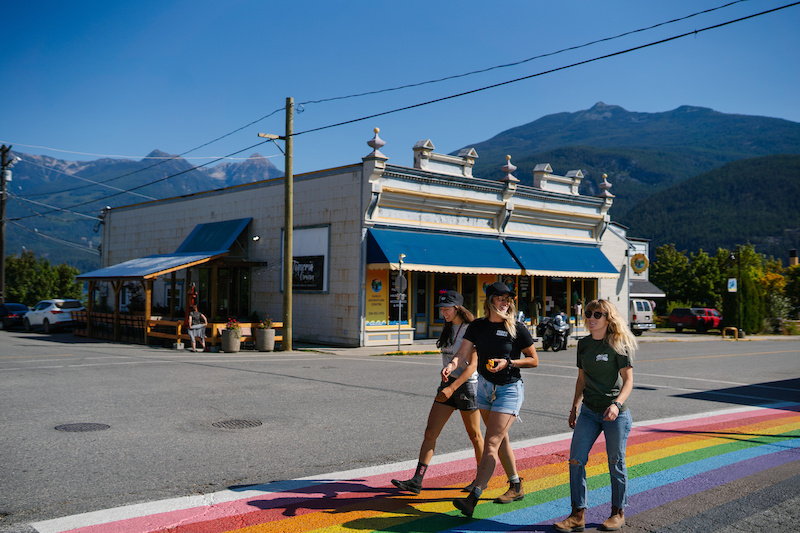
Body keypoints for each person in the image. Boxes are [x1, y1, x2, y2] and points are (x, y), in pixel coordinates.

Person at [446, 281, 539, 517]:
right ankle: (516, 485)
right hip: (485, 388)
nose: (505, 302)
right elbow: (462, 353)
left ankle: (473, 497)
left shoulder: (516, 328)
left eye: (508, 299)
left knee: (491, 442)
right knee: (501, 439)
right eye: (501, 298)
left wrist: (510, 363)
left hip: (509, 390)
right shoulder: (477, 326)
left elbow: (534, 360)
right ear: (490, 300)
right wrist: (452, 365)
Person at [553, 299, 637, 532]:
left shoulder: (618, 344)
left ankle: (617, 512)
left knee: (616, 462)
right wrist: (574, 408)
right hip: (589, 412)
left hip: (615, 414)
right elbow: (581, 379)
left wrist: (617, 405)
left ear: (608, 318)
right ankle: (577, 515)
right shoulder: (583, 345)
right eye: (588, 313)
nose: (591, 318)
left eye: (597, 314)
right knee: (576, 459)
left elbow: (628, 381)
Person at [391, 290, 484, 494]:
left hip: (466, 387)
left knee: (475, 435)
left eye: (446, 309)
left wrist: (452, 388)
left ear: (457, 308)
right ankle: (417, 480)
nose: (443, 312)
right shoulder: (448, 328)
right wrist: (448, 374)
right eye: (441, 309)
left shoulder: (470, 329)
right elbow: (454, 358)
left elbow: (472, 366)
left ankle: (481, 479)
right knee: (430, 432)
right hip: (447, 385)